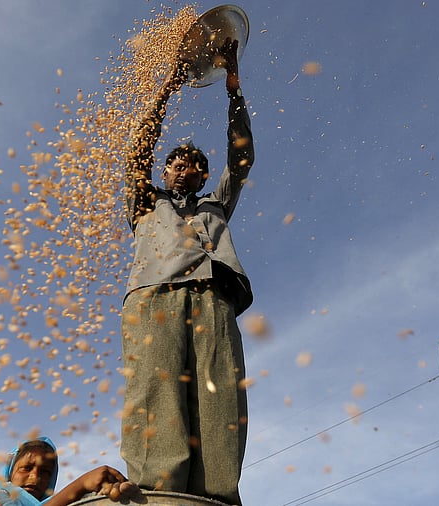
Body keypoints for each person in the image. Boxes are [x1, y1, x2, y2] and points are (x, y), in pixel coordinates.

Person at [121, 37, 254, 506]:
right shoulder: (145, 202)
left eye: (193, 166)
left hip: (213, 300)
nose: (182, 170)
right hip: (154, 296)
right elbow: (138, 149)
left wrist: (233, 88)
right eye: (175, 164)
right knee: (156, 394)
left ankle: (216, 497)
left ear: (202, 176)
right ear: (165, 170)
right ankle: (159, 495)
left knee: (219, 403)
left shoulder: (216, 205)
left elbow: (241, 158)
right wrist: (166, 88)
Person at [0, 437, 138, 506]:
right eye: (26, 468)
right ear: (9, 472)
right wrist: (81, 485)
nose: (35, 477)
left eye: (45, 472)